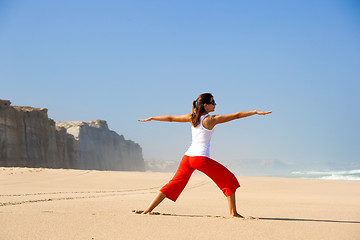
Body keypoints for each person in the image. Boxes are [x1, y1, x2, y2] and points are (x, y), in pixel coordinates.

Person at [137, 93, 272, 218]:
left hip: (187, 158)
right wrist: (255, 112)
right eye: (213, 102)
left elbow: (171, 118)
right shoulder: (211, 119)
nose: (215, 104)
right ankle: (233, 213)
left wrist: (152, 118)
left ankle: (147, 210)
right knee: (229, 179)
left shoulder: (192, 117)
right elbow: (236, 115)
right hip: (199, 159)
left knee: (173, 184)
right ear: (205, 105)